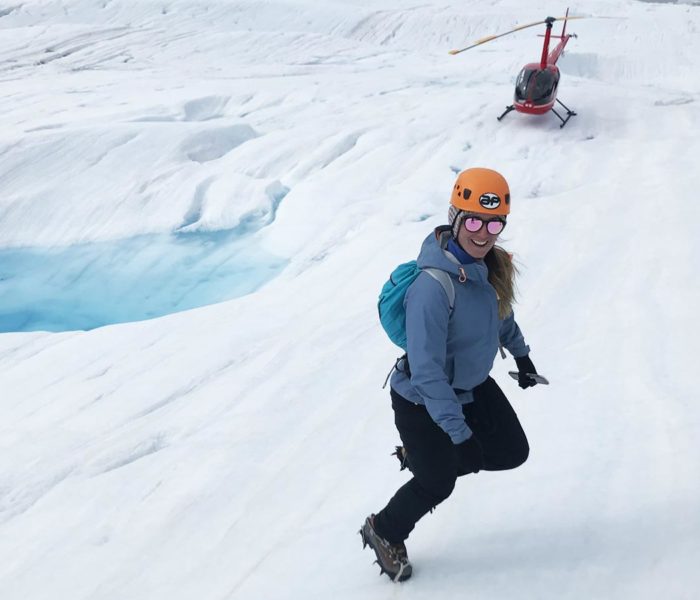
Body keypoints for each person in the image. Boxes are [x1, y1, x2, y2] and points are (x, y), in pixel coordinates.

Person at [359, 167, 543, 582]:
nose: (483, 233)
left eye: (494, 223)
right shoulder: (432, 287)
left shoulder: (488, 268)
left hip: (472, 386)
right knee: (439, 482)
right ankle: (383, 528)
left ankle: (424, 455)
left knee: (512, 451)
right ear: (455, 217)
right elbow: (426, 373)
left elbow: (501, 317)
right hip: (423, 399)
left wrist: (522, 357)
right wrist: (459, 437)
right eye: (474, 221)